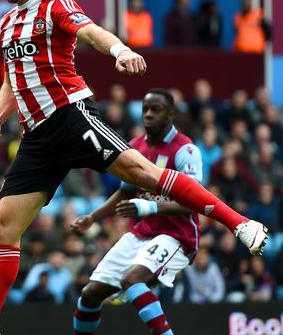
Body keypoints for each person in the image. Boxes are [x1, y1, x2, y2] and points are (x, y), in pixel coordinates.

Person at [0, 0, 266, 335]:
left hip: (70, 115)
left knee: (141, 174)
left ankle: (240, 223)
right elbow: (13, 79)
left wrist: (120, 50)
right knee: (4, 226)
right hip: (37, 136)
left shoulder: (56, 4)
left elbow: (91, 33)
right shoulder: (6, 23)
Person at [71, 89, 203, 335]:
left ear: (170, 114)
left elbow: (194, 202)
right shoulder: (134, 147)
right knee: (89, 295)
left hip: (177, 236)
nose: (148, 115)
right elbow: (125, 192)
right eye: (145, 109)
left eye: (156, 110)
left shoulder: (186, 150)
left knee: (132, 281)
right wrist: (92, 218)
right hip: (144, 232)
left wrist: (148, 206)